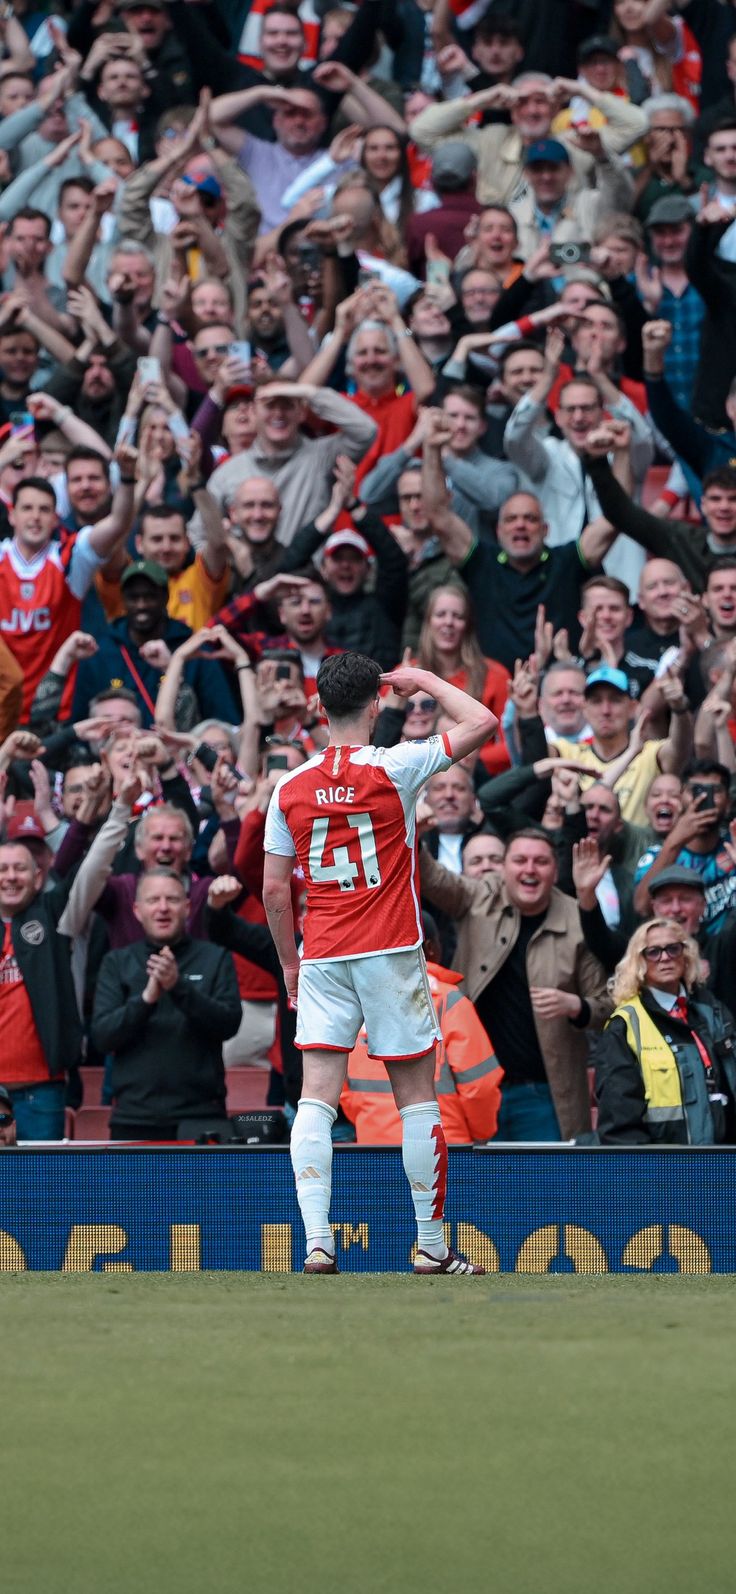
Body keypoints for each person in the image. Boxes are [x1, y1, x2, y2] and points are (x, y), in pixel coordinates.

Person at [262, 650, 496, 1275]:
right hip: (389, 948)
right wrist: (421, 681)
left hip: (324, 952)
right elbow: (482, 722)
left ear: (317, 706)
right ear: (376, 704)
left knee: (316, 1097)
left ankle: (316, 1241)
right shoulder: (399, 765)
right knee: (417, 1099)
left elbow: (275, 891)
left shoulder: (287, 787)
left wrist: (290, 962)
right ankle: (430, 1245)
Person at [419, 826, 611, 1141]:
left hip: (543, 1095)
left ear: (556, 869)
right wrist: (414, 834)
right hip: (470, 1090)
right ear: (505, 867)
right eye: (520, 860)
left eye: (541, 861)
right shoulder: (479, 897)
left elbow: (608, 1003)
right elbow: (434, 878)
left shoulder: (576, 920)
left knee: (544, 1188)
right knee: (474, 1189)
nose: (529, 869)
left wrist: (577, 1006)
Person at [91, 867, 241, 1139]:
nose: (162, 908)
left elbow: (228, 1024)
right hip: (133, 1117)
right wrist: (147, 999)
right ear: (137, 910)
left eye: (171, 900)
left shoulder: (215, 957)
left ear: (187, 907)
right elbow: (102, 1036)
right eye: (153, 900)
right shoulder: (117, 962)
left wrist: (178, 987)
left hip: (202, 1116)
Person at [340, 913, 502, 1145]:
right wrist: (481, 1134)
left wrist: (374, 1125)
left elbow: (342, 1088)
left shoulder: (359, 1003)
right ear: (432, 949)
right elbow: (480, 1088)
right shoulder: (450, 1004)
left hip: (373, 1152)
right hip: (445, 1152)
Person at [594, 917, 736, 1144]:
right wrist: (651, 1173)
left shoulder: (713, 1011)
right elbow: (618, 1123)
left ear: (685, 954)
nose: (665, 957)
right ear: (638, 961)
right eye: (653, 952)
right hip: (663, 1167)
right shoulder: (624, 1025)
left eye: (673, 948)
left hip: (724, 1161)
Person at [0, 839, 82, 1140]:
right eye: (2, 869)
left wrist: (104, 815)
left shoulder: (53, 916)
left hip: (42, 1088)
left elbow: (82, 871)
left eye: (19, 868)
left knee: (41, 1185)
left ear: (37, 878)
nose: (10, 876)